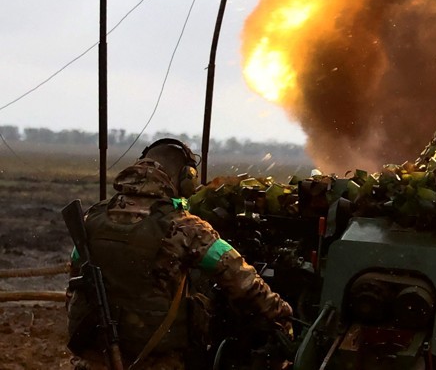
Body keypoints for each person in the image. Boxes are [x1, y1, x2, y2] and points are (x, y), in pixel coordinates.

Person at [66, 138, 293, 369]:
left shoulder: (92, 218)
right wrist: (281, 312)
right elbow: (241, 279)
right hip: (154, 360)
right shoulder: (186, 227)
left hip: (92, 358)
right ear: (187, 179)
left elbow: (75, 277)